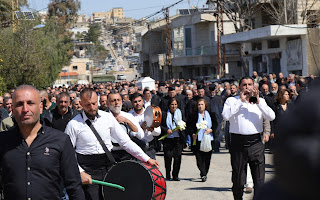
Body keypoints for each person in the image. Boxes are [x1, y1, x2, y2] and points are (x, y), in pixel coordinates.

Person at [65, 88, 159, 200]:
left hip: (108, 166)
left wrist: (146, 158)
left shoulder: (107, 118)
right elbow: (67, 153)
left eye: (94, 103)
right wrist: (80, 172)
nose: (92, 107)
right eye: (88, 104)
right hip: (87, 169)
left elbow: (125, 142)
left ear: (98, 101)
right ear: (80, 104)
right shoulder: (73, 125)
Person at [0, 85, 85, 200]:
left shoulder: (60, 140)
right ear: (13, 110)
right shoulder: (3, 141)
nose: (25, 109)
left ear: (41, 107)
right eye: (19, 104)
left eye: (30, 103)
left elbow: (74, 187)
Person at [222, 77, 275, 200]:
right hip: (238, 143)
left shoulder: (260, 101)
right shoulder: (232, 100)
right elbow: (226, 116)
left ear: (254, 86)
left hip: (256, 143)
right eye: (244, 85)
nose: (247, 87)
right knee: (239, 180)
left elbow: (271, 116)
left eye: (249, 84)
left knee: (259, 179)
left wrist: (258, 102)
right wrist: (240, 100)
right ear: (240, 87)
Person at [107, 92, 145, 162]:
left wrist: (128, 121)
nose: (116, 103)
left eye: (118, 100)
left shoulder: (128, 116)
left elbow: (141, 135)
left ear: (122, 101)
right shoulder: (103, 118)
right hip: (109, 155)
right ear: (107, 103)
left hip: (127, 155)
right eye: (113, 100)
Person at [188, 98, 217, 182]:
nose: (200, 106)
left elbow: (215, 125)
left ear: (205, 106)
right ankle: (203, 172)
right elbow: (189, 126)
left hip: (209, 138)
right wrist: (193, 134)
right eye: (199, 105)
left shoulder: (211, 114)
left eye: (202, 105)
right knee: (199, 157)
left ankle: (205, 172)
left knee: (207, 157)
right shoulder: (193, 115)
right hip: (198, 139)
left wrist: (211, 130)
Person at [160, 98, 186, 181]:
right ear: (169, 105)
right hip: (168, 138)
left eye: (175, 104)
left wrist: (181, 128)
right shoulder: (164, 114)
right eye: (172, 104)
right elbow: (160, 125)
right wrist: (166, 130)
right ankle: (168, 173)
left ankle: (175, 175)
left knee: (177, 157)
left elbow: (185, 123)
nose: (173, 106)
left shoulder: (180, 113)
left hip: (178, 138)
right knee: (168, 156)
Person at [129, 92, 161, 159]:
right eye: (135, 102)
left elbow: (158, 132)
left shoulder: (150, 112)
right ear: (131, 103)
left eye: (139, 101)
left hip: (149, 147)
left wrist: (152, 129)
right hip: (136, 148)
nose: (138, 103)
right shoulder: (129, 116)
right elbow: (130, 134)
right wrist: (140, 129)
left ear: (143, 101)